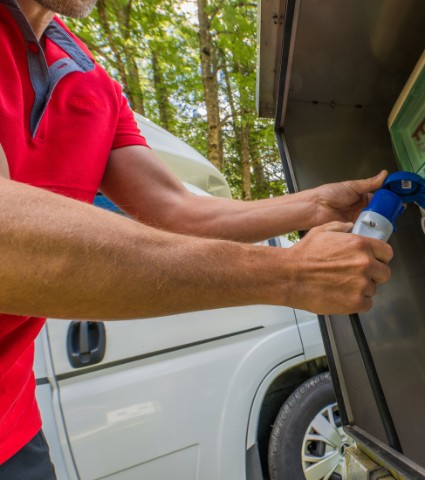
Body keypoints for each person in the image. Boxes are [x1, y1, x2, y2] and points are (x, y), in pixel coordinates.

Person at [0, 0, 394, 478]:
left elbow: (175, 209)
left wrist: (313, 206)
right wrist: (290, 274)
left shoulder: (90, 79)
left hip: (13, 425)